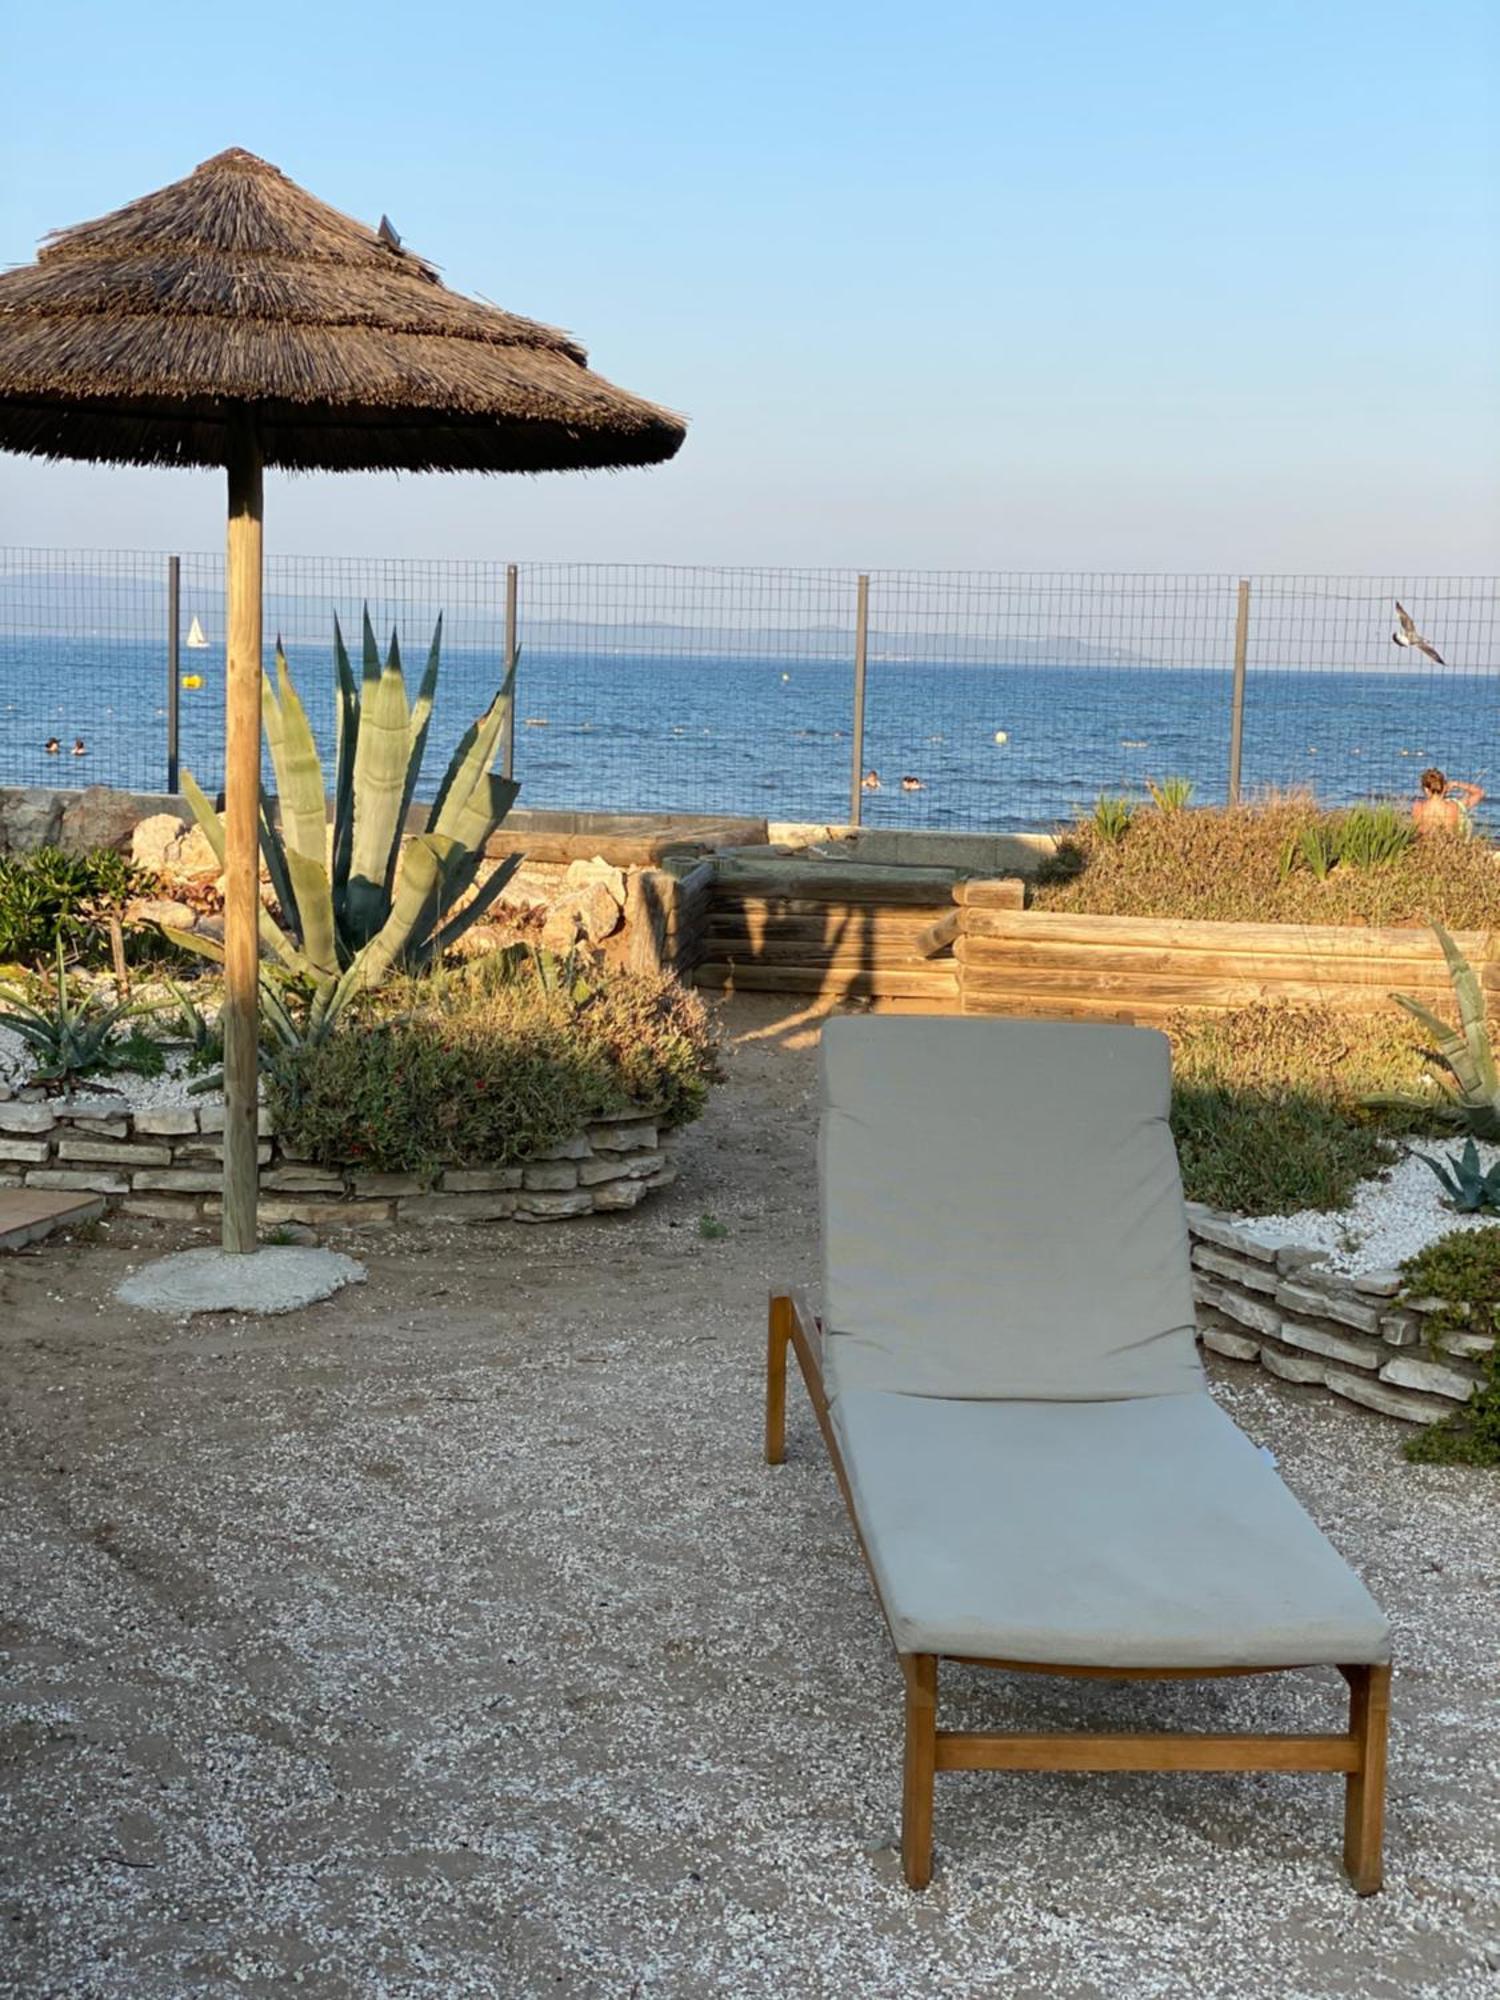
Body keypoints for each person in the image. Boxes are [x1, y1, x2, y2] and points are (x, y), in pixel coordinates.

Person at [1412, 768, 1483, 835]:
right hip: (1450, 846)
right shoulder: (1455, 806)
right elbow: (1478, 793)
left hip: (1426, 846)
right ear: (1444, 787)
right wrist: (1456, 784)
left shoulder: (1417, 807)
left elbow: (1418, 832)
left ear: (1426, 789)